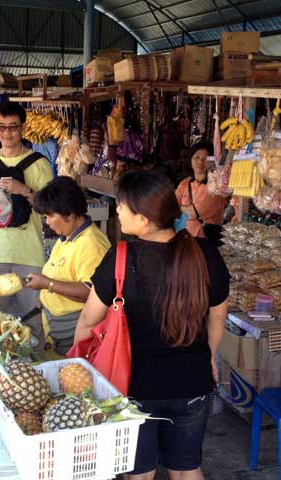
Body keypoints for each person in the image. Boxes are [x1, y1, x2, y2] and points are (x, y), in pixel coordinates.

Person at [76, 170, 230, 479]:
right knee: (187, 469)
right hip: (192, 384)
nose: (117, 209)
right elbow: (218, 314)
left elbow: (87, 320)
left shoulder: (120, 258)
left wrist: (82, 368)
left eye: (122, 205)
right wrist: (210, 355)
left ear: (144, 219)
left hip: (134, 388)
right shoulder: (204, 253)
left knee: (140, 473)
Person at [0, 102, 53, 336]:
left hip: (31, 255)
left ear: (23, 128)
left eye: (13, 127)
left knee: (34, 321)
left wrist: (23, 190)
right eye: (1, 127)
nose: (7, 133)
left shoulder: (40, 164)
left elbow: (49, 209)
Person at [25, 177, 110, 354]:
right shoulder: (67, 236)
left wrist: (47, 284)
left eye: (50, 216)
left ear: (70, 214)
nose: (47, 221)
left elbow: (92, 292)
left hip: (73, 328)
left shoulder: (92, 244)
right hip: (54, 323)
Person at [175, 142, 227, 245]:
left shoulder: (215, 186)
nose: (200, 161)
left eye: (205, 159)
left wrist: (177, 209)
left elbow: (195, 213)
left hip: (203, 243)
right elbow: (169, 205)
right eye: (196, 157)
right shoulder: (185, 183)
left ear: (212, 162)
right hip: (183, 241)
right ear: (190, 160)